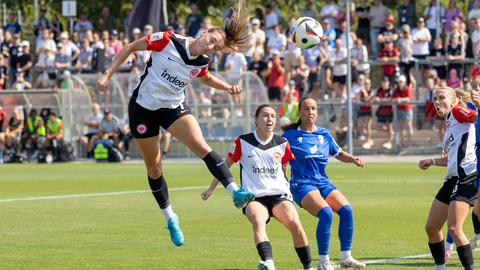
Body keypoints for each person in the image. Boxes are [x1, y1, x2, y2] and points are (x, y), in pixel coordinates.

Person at [96, 0, 255, 247]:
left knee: (202, 147)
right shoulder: (167, 39)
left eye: (215, 48)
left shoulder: (202, 62)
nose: (210, 47)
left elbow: (206, 78)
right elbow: (129, 47)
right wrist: (107, 74)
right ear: (204, 33)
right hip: (143, 110)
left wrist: (228, 88)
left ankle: (235, 193)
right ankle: (170, 217)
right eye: (211, 40)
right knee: (155, 168)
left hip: (173, 109)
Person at [201, 104, 312, 270]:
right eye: (265, 116)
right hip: (253, 196)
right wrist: (211, 188)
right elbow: (224, 166)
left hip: (278, 195)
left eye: (273, 116)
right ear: (256, 120)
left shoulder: (282, 143)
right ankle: (268, 262)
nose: (270, 119)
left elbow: (284, 168)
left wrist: (288, 186)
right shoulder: (242, 141)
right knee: (258, 221)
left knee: (295, 224)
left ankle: (308, 267)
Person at [281, 97, 366, 270]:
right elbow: (280, 161)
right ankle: (323, 261)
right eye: (306, 108)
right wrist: (284, 182)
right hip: (301, 184)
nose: (310, 112)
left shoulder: (324, 134)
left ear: (317, 112)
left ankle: (346, 258)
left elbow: (339, 153)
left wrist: (354, 159)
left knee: (347, 211)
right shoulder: (289, 136)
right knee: (326, 213)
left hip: (323, 182)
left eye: (313, 108)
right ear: (299, 112)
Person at [419, 87, 477, 270]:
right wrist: (432, 161)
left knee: (454, 228)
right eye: (435, 98)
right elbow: (452, 159)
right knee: (431, 228)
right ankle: (440, 268)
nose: (437, 101)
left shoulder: (458, 111)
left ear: (453, 101)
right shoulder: (450, 123)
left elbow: (475, 117)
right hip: (452, 179)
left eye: (441, 98)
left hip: (466, 177)